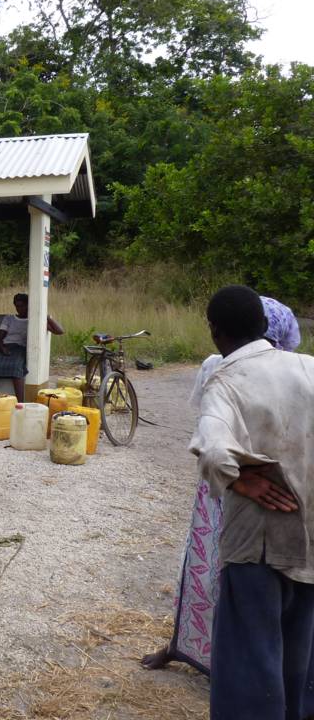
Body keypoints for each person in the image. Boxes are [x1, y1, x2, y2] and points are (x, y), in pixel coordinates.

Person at [142, 295, 303, 676]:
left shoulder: (221, 370)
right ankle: (214, 655)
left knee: (223, 574)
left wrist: (235, 477)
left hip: (230, 489)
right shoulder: (299, 369)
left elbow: (209, 441)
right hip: (279, 491)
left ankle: (232, 664)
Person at [186, 285, 314, 718]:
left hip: (257, 544)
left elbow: (215, 451)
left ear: (215, 331)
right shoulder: (309, 367)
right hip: (310, 540)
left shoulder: (225, 381)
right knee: (299, 655)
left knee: (251, 663)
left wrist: (240, 481)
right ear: (265, 326)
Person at [0, 293, 63, 402]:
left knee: (16, 367)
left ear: (29, 305)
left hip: (20, 348)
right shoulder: (9, 318)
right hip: (5, 345)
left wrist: (46, 316)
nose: (19, 309)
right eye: (17, 306)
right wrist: (2, 348)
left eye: (22, 306)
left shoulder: (35, 321)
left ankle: (20, 402)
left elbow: (59, 331)